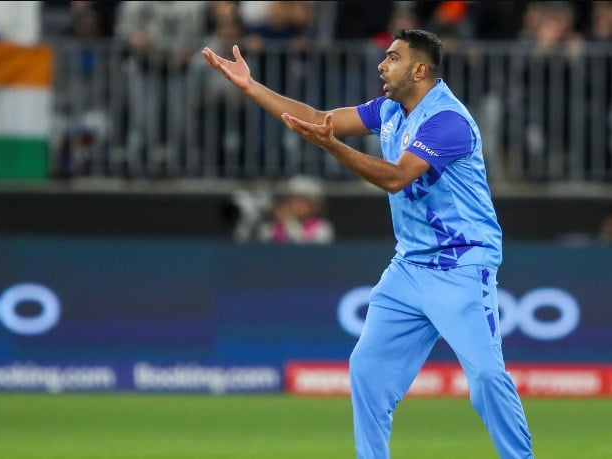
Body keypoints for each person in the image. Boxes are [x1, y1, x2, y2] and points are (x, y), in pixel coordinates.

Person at [202, 29, 533, 458]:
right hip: (410, 266)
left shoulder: (447, 121)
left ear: (419, 70)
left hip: (461, 265)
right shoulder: (390, 109)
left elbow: (396, 178)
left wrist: (333, 147)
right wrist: (251, 86)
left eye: (393, 58)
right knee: (367, 370)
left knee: (486, 377)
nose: (382, 64)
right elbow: (317, 118)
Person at [256, 175, 334, 244]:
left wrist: (289, 223)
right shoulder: (271, 228)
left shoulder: (322, 227)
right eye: (293, 200)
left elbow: (304, 250)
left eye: (302, 200)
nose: (296, 205)